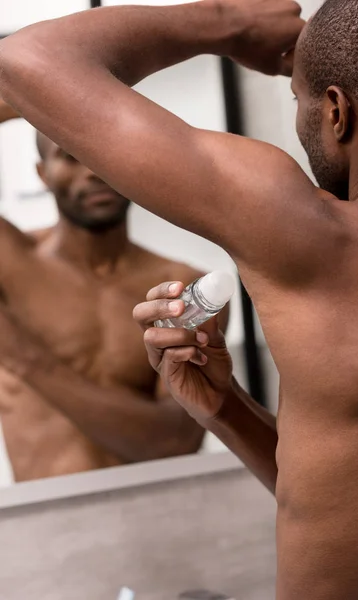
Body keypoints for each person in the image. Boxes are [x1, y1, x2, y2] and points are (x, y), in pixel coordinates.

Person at [0, 0, 358, 597]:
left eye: (298, 101)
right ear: (41, 171)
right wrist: (226, 408)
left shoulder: (327, 244)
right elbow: (341, 498)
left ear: (337, 111)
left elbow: (23, 58)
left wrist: (226, 24)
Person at [0, 99, 215, 483]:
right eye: (69, 156)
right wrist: (31, 96)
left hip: (159, 517)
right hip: (44, 523)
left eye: (102, 155)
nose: (93, 171)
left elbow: (173, 442)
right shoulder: (11, 265)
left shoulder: (183, 288)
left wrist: (23, 357)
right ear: (42, 173)